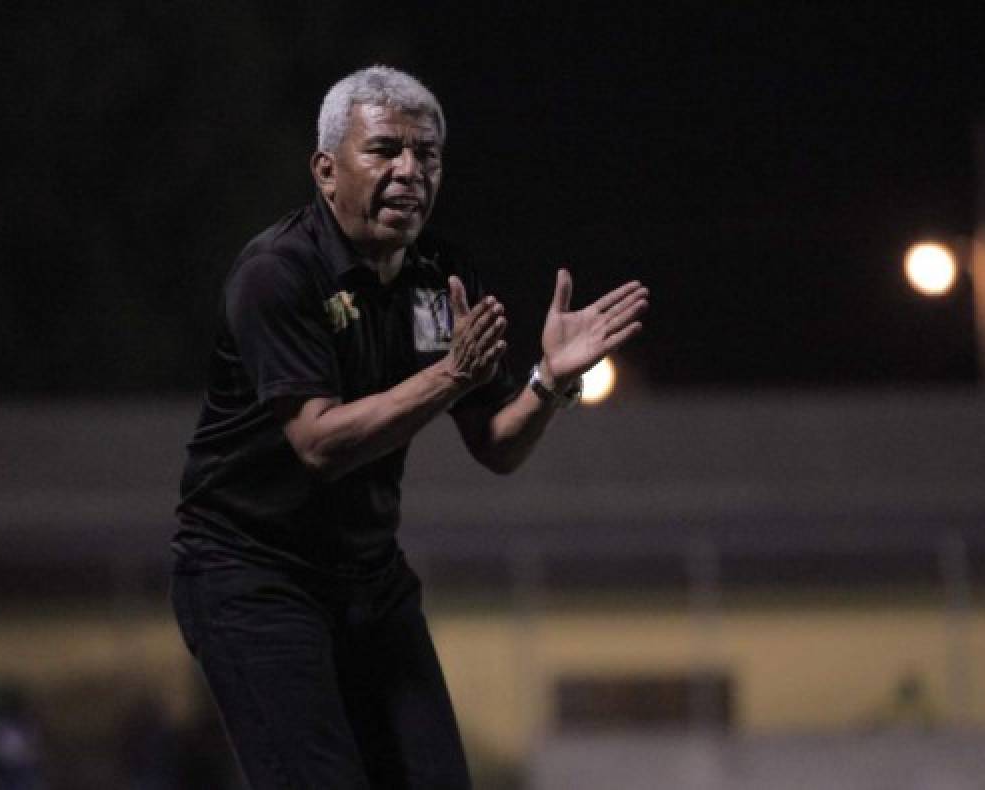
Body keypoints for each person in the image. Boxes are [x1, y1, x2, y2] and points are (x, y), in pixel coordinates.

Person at [171, 65, 649, 789]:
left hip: (368, 577)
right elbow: (319, 443)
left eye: (426, 154)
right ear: (326, 171)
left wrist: (550, 381)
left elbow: (495, 443)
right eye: (385, 150)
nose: (409, 170)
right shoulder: (278, 272)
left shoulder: (441, 274)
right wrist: (449, 375)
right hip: (250, 575)